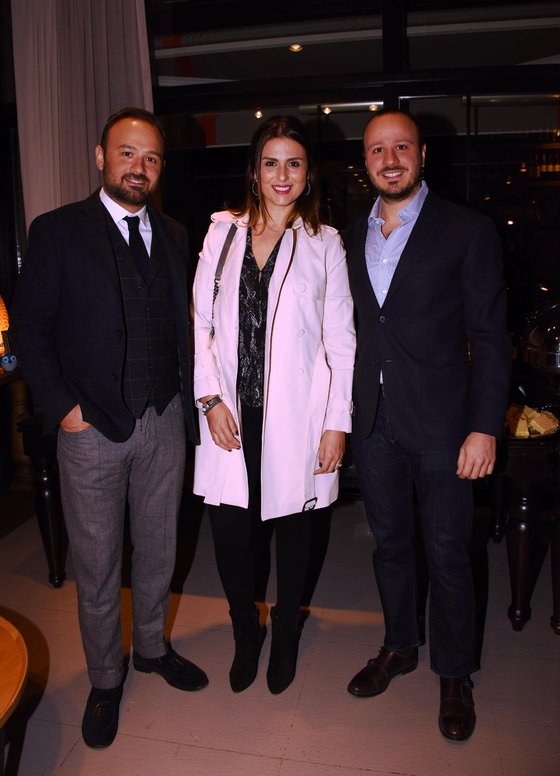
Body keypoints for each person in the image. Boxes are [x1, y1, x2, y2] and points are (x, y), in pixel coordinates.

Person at [11, 107, 208, 749]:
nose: (138, 167)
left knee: (158, 549)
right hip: (90, 424)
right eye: (127, 153)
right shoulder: (56, 230)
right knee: (97, 565)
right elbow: (31, 329)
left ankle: (150, 647)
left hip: (163, 417)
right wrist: (63, 408)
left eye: (150, 157)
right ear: (101, 157)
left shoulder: (175, 232)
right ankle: (104, 678)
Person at [345, 109, 510, 741]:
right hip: (373, 420)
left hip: (445, 424)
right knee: (389, 545)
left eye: (401, 147)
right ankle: (399, 645)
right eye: (377, 150)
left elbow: (489, 338)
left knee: (447, 553)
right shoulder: (347, 234)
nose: (389, 160)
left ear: (421, 154)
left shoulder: (467, 230)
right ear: (365, 161)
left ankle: (454, 672)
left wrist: (484, 426)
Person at [192, 115, 355, 695]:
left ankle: (285, 630)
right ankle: (246, 631)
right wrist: (210, 399)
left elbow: (341, 341)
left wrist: (337, 423)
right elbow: (200, 324)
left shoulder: (325, 243)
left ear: (309, 174)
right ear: (254, 171)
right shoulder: (222, 233)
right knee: (230, 533)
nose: (281, 175)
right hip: (231, 415)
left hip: (297, 418)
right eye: (270, 163)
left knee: (295, 531)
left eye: (294, 163)